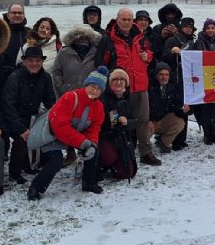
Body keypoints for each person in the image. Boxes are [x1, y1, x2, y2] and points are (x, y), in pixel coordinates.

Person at [27, 66, 109, 199]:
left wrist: (91, 144)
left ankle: (89, 182)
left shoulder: (99, 107)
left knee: (94, 150)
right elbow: (60, 126)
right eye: (92, 86)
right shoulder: (71, 97)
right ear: (86, 85)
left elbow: (94, 129)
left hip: (74, 136)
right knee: (56, 161)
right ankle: (36, 187)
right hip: (53, 135)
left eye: (99, 88)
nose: (95, 90)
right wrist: (83, 142)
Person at [102, 9, 157, 165]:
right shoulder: (109, 39)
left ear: (133, 20)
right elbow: (102, 63)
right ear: (117, 20)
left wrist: (148, 57)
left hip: (140, 85)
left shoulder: (140, 37)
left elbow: (149, 52)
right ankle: (121, 153)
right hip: (120, 89)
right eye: (123, 19)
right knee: (120, 121)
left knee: (143, 120)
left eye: (129, 19)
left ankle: (145, 153)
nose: (126, 22)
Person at [0, 46, 56, 184]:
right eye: (30, 60)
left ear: (42, 62)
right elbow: (8, 106)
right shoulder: (15, 77)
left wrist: (52, 120)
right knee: (21, 140)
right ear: (24, 62)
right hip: (11, 118)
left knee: (40, 135)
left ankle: (30, 164)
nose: (34, 64)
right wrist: (21, 129)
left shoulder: (46, 78)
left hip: (32, 117)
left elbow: (51, 102)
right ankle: (15, 172)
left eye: (38, 60)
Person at [52, 24, 102, 166]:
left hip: (89, 97)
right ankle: (70, 152)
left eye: (86, 38)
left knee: (86, 124)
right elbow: (56, 71)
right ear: (73, 38)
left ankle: (85, 150)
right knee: (68, 124)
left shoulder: (95, 52)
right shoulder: (64, 52)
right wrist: (61, 86)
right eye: (79, 38)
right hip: (69, 96)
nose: (82, 41)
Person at [193, 18, 215, 144]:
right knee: (205, 108)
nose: (210, 30)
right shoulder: (199, 41)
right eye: (208, 28)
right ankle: (207, 133)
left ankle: (213, 132)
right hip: (204, 78)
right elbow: (198, 57)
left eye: (212, 28)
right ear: (204, 29)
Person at [161, 17, 196, 150]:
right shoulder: (172, 40)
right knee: (175, 108)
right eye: (186, 26)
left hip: (187, 79)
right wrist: (171, 52)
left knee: (186, 108)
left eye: (190, 27)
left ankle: (181, 139)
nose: (188, 29)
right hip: (174, 79)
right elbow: (163, 56)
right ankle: (174, 139)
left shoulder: (192, 41)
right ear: (181, 27)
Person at [98, 68, 138, 179]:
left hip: (122, 138)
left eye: (122, 79)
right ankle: (101, 165)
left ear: (126, 82)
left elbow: (135, 121)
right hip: (105, 135)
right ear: (110, 82)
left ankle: (114, 165)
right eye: (115, 79)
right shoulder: (103, 97)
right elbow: (102, 121)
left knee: (127, 173)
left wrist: (126, 122)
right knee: (108, 156)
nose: (119, 82)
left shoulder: (130, 98)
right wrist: (114, 120)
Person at [148, 63, 187, 153]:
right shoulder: (149, 87)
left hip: (162, 120)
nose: (164, 77)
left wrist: (185, 110)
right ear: (156, 75)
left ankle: (163, 143)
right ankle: (145, 149)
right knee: (145, 132)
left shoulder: (171, 88)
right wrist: (148, 120)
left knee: (179, 123)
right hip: (149, 121)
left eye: (166, 75)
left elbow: (175, 107)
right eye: (161, 74)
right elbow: (143, 107)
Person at [2, 4, 30, 75]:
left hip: (26, 74)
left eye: (20, 13)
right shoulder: (0, 32)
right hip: (4, 76)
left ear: (24, 15)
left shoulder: (30, 33)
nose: (17, 15)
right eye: (14, 12)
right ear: (8, 15)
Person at [134, 10, 159, 82]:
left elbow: (157, 53)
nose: (143, 22)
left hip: (151, 69)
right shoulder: (131, 35)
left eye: (146, 20)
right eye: (141, 20)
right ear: (136, 22)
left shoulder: (154, 36)